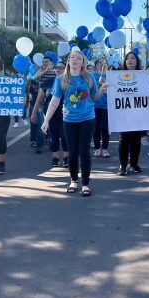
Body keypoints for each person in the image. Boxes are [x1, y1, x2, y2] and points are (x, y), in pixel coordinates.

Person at [42, 49, 107, 197]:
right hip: (69, 120)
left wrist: (102, 89)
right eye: (72, 57)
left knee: (84, 151)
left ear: (83, 62)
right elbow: (54, 101)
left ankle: (85, 183)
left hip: (88, 119)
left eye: (78, 58)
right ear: (69, 61)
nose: (75, 60)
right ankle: (73, 180)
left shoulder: (89, 77)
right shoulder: (61, 79)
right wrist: (46, 120)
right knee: (72, 152)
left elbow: (95, 97)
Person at [31, 61, 69, 167]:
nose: (58, 69)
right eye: (56, 67)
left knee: (65, 136)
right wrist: (34, 113)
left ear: (66, 69)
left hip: (66, 114)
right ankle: (55, 158)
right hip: (50, 114)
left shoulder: (69, 81)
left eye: (61, 68)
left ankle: (66, 158)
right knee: (54, 136)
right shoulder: (47, 82)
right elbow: (39, 99)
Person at [118, 52, 144, 175]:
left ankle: (134, 164)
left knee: (136, 140)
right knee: (124, 140)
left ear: (137, 61)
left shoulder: (144, 77)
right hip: (123, 114)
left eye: (132, 58)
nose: (129, 60)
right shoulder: (117, 76)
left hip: (138, 113)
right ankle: (122, 166)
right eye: (127, 59)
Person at [93, 58, 110, 158]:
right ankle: (97, 149)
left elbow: (114, 92)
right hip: (95, 106)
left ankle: (105, 149)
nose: (102, 64)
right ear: (96, 64)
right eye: (100, 62)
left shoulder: (110, 76)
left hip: (107, 106)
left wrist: (106, 83)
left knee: (105, 128)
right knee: (96, 128)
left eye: (104, 62)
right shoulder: (92, 76)